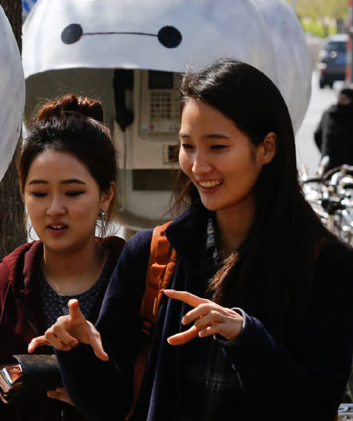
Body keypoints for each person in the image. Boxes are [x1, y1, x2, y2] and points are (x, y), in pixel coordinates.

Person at [31, 59, 353, 421]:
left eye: (217, 147)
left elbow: (316, 405)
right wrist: (77, 351)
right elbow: (110, 406)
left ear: (267, 148)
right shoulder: (153, 253)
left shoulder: (326, 265)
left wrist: (246, 337)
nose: (198, 166)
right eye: (187, 146)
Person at [0, 95, 126, 420]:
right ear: (23, 192)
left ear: (105, 194)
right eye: (39, 193)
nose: (54, 209)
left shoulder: (139, 281)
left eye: (73, 192)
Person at [314, 86, 353, 172]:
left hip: (328, 165)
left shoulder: (328, 113)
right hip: (347, 168)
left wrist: (325, 152)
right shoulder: (330, 114)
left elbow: (317, 135)